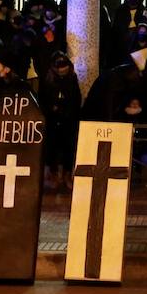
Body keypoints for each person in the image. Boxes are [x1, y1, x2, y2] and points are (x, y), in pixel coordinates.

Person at [40, 53, 81, 194]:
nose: (62, 71)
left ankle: (67, 174)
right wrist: (51, 108)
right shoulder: (49, 79)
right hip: (53, 119)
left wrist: (69, 111)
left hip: (68, 119)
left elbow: (76, 99)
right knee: (52, 147)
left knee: (68, 148)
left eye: (65, 68)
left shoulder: (72, 79)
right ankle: (53, 173)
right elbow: (43, 98)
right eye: (60, 68)